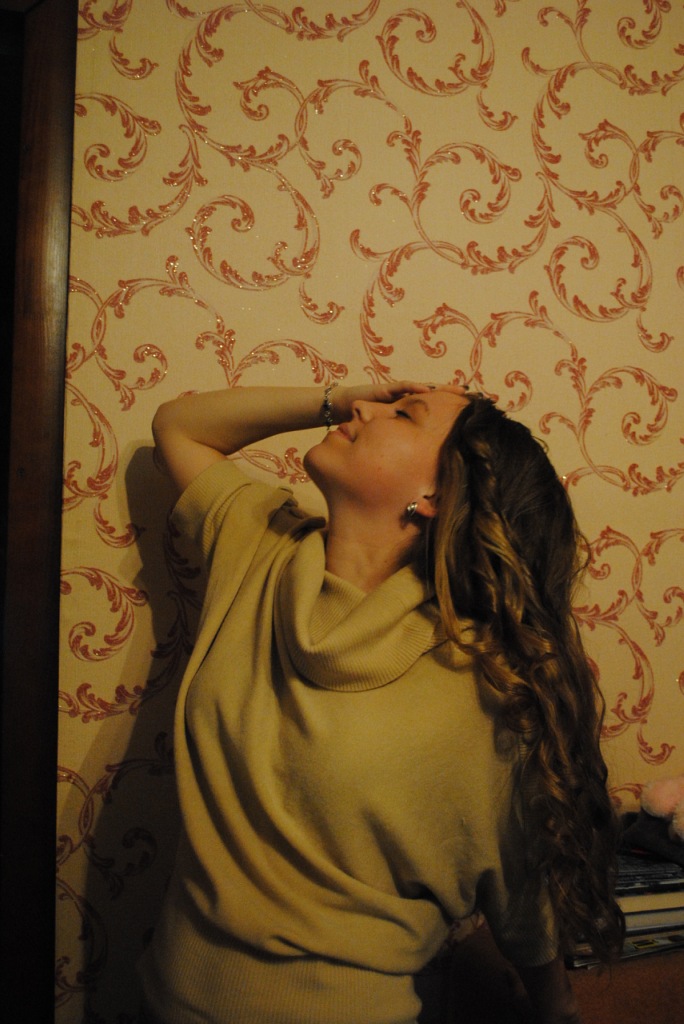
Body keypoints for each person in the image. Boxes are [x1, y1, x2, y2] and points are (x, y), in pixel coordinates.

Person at [139, 381, 624, 1024]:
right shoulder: (259, 544)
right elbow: (178, 425)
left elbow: (519, 887)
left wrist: (557, 1008)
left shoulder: (479, 682)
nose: (365, 412)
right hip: (165, 999)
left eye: (403, 415)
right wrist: (339, 397)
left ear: (436, 497)